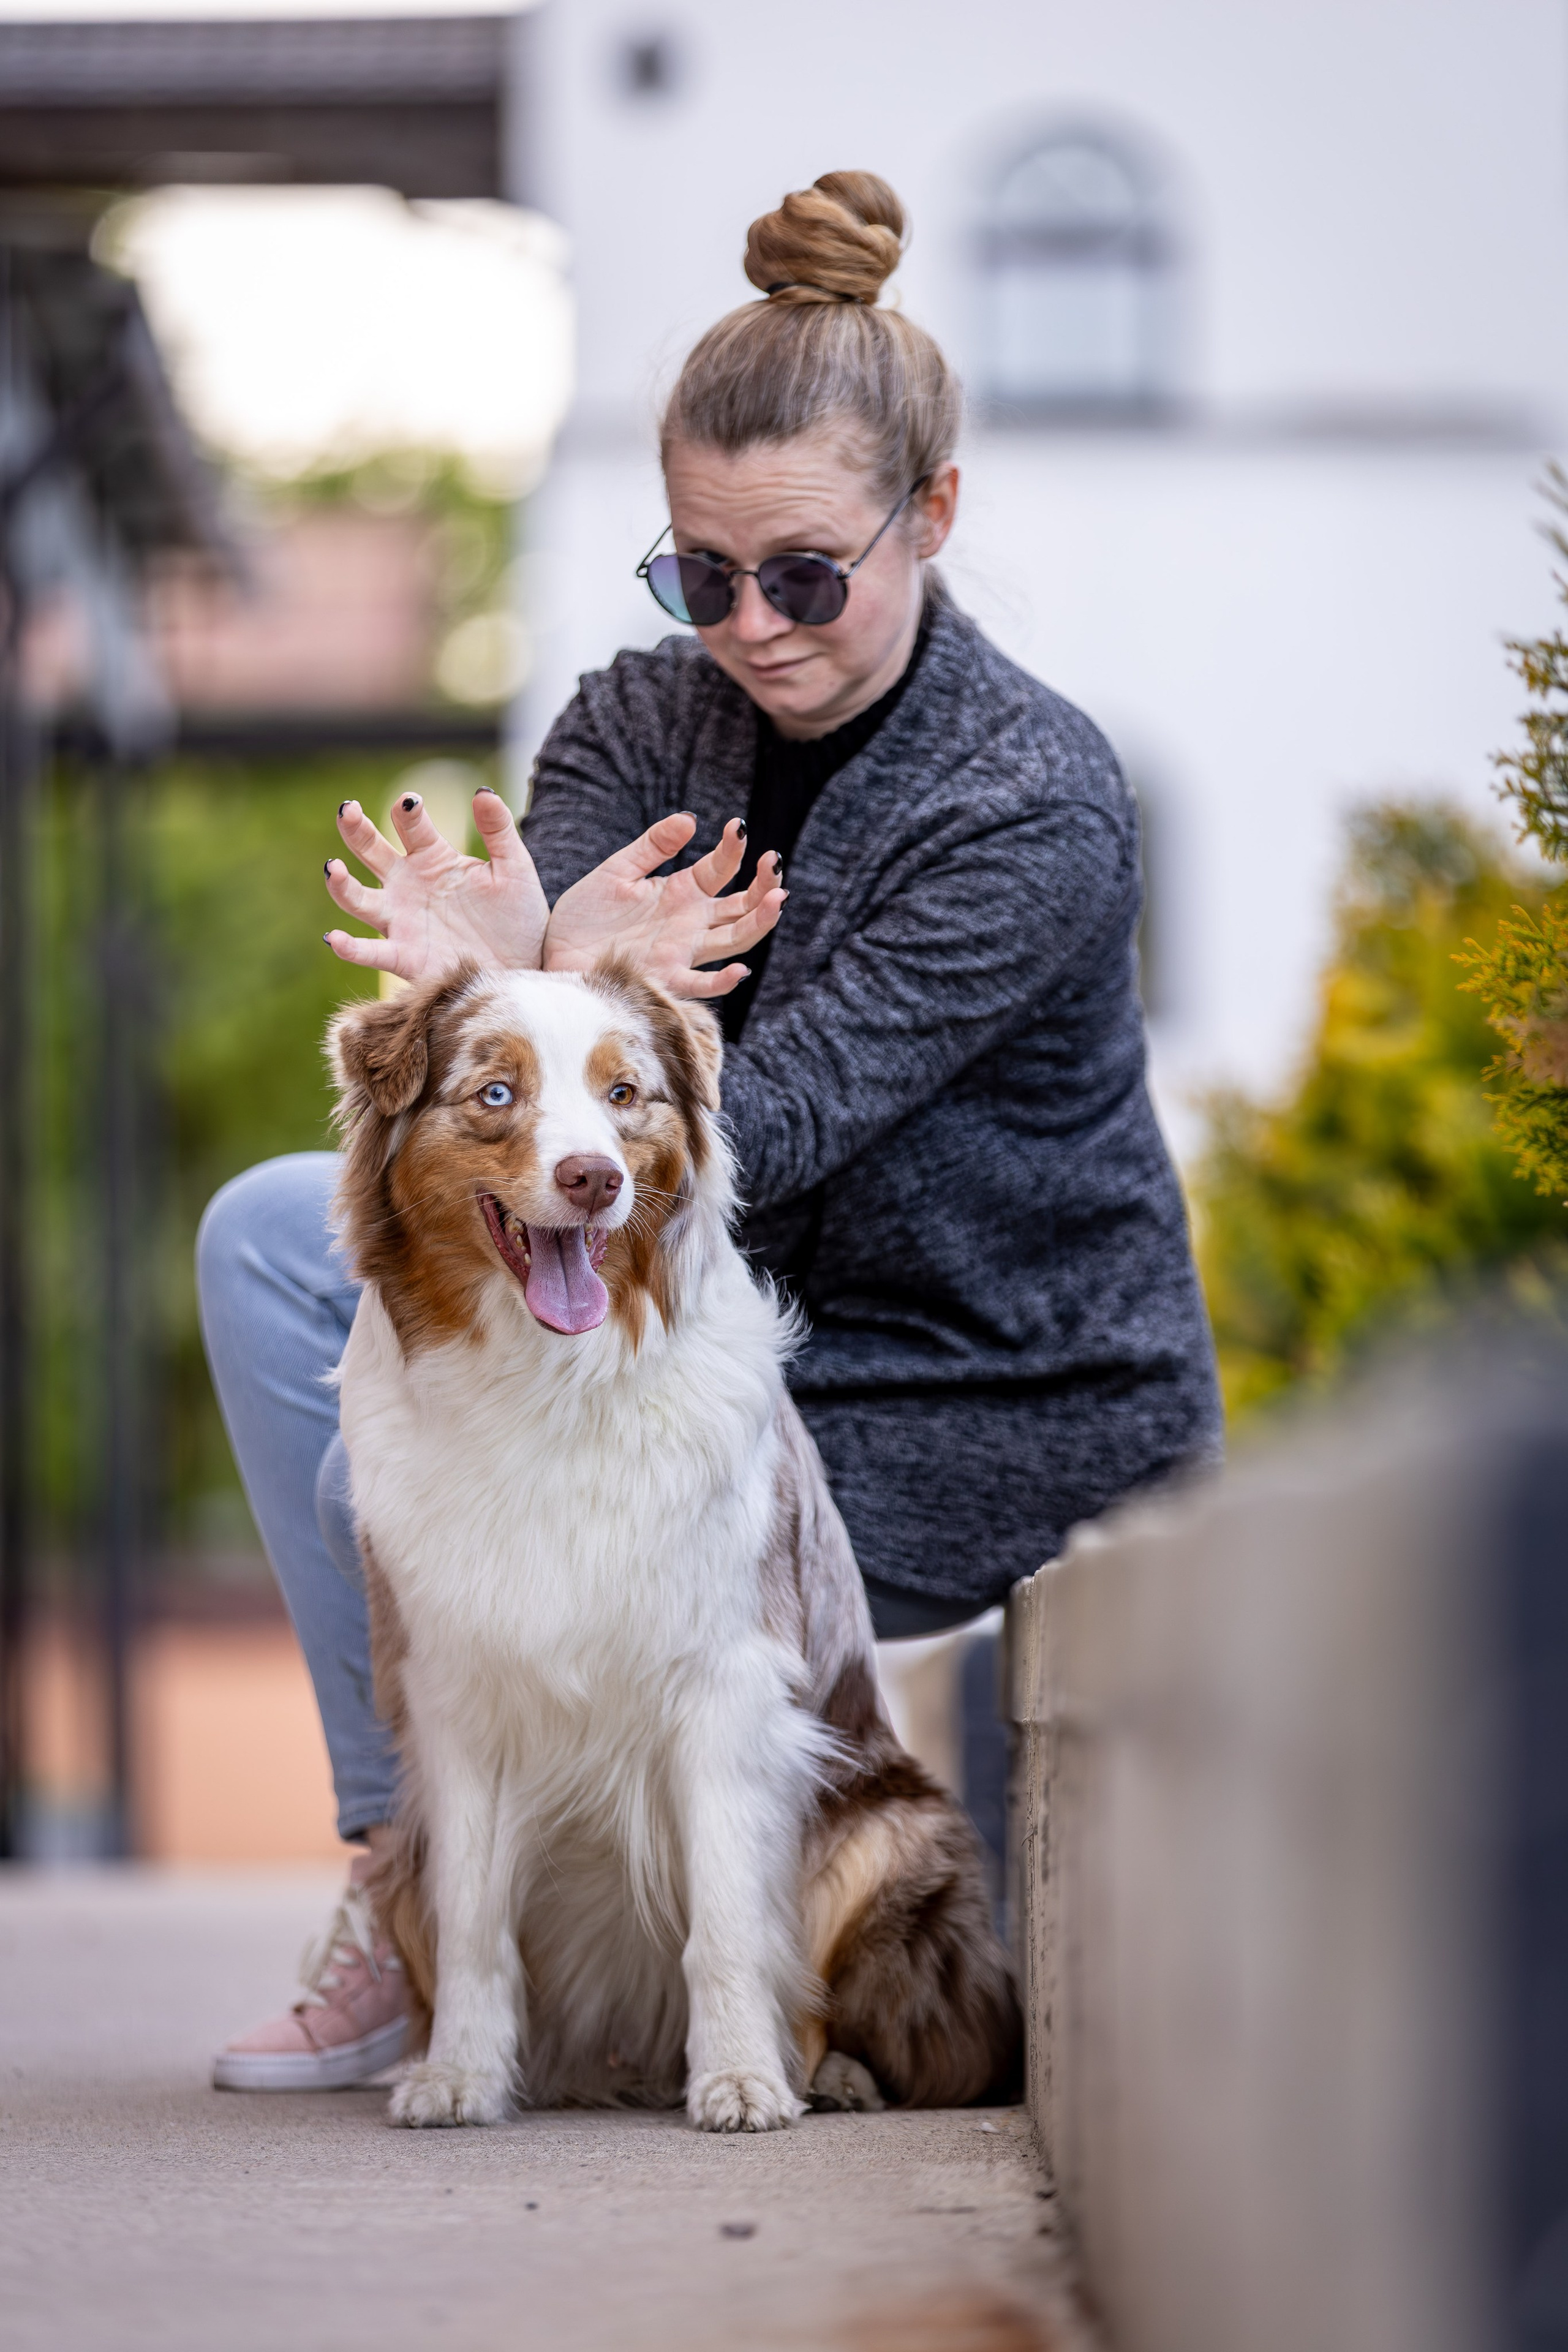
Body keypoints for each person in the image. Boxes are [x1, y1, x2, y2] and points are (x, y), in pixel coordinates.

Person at [200, 170, 1221, 2092]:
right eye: (701, 575)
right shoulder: (628, 726)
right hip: (684, 1339)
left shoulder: (1034, 806)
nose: (750, 625)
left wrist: (569, 970)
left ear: (933, 514)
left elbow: (778, 1120)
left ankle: (497, 1901)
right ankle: (419, 1866)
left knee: (475, 1447)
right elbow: (543, 1098)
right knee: (274, 1230)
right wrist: (508, 975)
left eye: (805, 576)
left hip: (967, 1401)